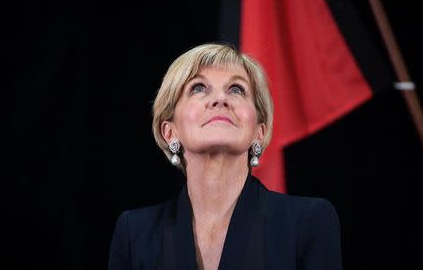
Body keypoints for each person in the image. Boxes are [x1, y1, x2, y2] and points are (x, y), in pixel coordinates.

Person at [108, 43, 343, 270]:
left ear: (258, 133)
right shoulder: (134, 233)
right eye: (198, 88)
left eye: (236, 89)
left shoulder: (309, 221)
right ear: (170, 132)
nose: (221, 99)